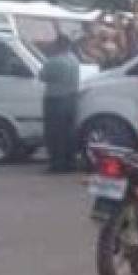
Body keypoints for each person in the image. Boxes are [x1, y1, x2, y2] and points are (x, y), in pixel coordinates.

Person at [41, 34, 81, 172]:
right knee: (69, 132)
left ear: (58, 45)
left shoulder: (54, 61)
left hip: (55, 100)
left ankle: (57, 164)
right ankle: (70, 162)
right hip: (72, 98)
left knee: (54, 134)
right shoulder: (74, 60)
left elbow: (42, 76)